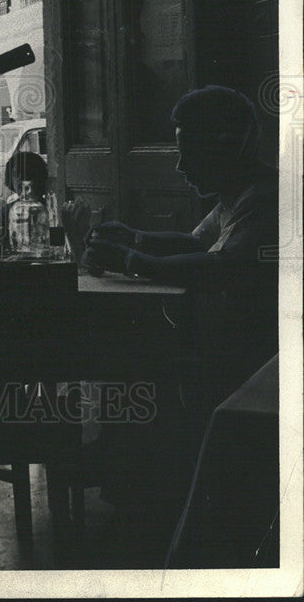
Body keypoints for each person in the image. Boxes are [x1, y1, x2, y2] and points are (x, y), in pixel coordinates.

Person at [80, 85, 278, 514]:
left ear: (231, 147)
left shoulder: (266, 198)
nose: (181, 165)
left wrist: (132, 258)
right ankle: (126, 474)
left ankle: (140, 488)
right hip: (228, 346)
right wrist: (134, 237)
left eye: (190, 151)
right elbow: (192, 243)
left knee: (132, 362)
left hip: (253, 362)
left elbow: (224, 267)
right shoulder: (238, 194)